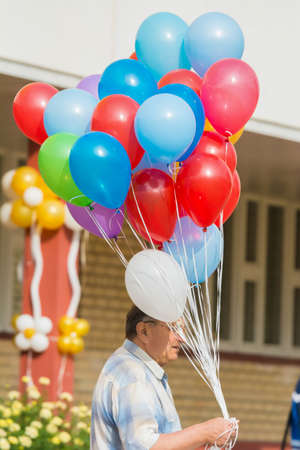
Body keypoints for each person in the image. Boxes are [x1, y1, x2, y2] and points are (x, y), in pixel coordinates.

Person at [90, 305, 236, 449]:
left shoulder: (143, 370)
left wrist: (207, 442)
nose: (182, 338)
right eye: (174, 328)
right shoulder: (132, 373)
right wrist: (204, 432)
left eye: (183, 330)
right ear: (144, 331)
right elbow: (142, 446)